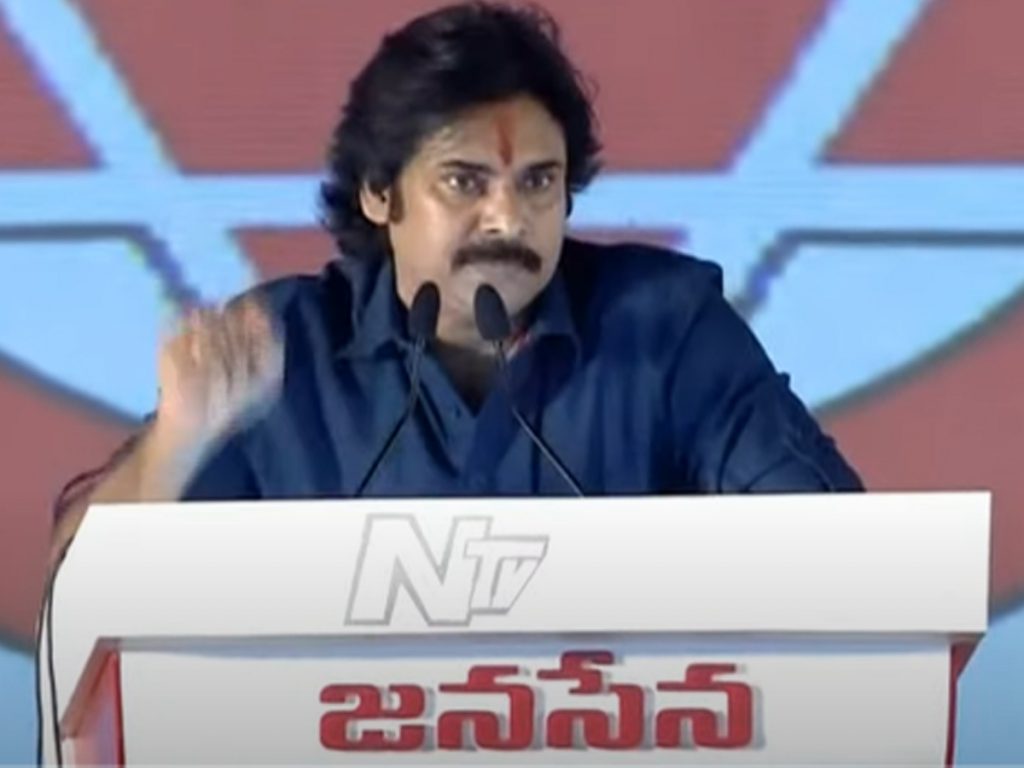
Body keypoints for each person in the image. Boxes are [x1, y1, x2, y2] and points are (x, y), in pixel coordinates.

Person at [50, 1, 861, 562]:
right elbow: (77, 589)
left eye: (538, 182)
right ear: (380, 193)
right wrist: (175, 449)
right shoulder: (282, 353)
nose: (508, 220)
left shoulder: (668, 331)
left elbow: (845, 556)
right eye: (465, 182)